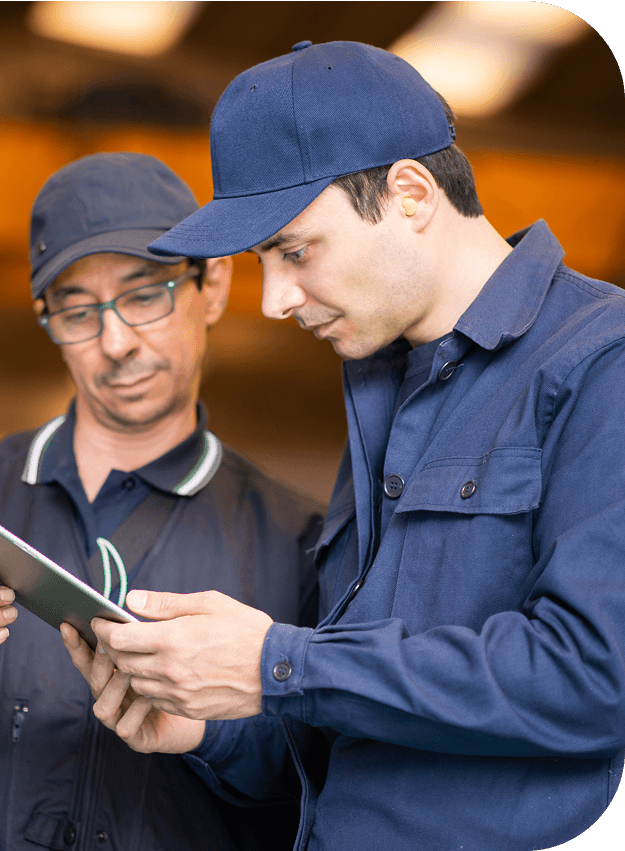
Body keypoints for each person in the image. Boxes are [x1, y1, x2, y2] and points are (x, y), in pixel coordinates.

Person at [63, 42, 625, 850]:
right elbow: (364, 735)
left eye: (293, 251)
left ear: (408, 193)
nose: (276, 300)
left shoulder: (598, 362)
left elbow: (592, 676)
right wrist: (206, 723)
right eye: (263, 262)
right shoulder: (383, 391)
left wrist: (275, 662)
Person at [0, 151, 322, 851]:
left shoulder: (296, 538)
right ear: (46, 318)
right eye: (77, 312)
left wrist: (204, 730)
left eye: (146, 296)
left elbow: (319, 780)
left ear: (212, 285)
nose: (115, 343)